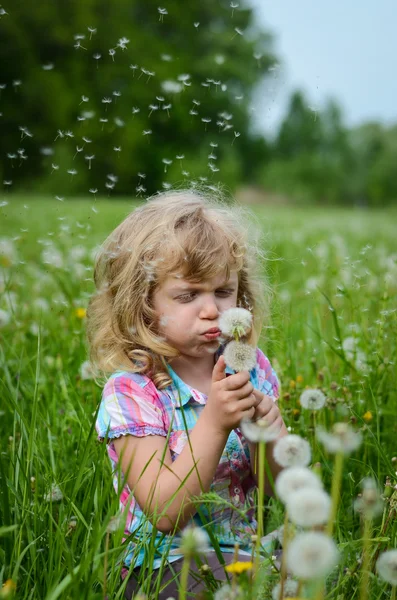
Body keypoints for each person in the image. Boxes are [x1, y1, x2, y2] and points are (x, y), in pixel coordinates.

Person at [87, 189, 288, 599]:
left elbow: (276, 487)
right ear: (143, 305)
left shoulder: (250, 365)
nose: (211, 309)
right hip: (163, 565)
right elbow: (165, 512)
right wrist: (214, 422)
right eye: (187, 295)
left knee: (314, 567)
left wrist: (267, 433)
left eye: (223, 291)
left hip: (240, 552)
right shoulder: (132, 392)